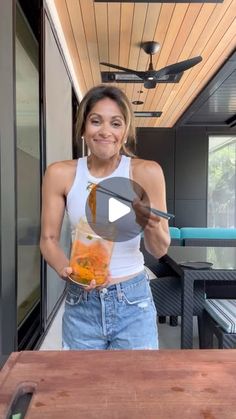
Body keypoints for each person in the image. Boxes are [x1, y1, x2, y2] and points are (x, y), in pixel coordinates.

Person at [40, 84, 170, 350]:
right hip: (81, 300)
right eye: (96, 121)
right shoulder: (60, 174)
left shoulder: (146, 172)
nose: (105, 131)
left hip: (133, 302)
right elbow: (49, 239)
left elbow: (159, 249)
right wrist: (66, 270)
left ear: (125, 131)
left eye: (116, 123)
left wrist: (150, 224)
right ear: (83, 128)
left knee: (136, 390)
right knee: (82, 390)